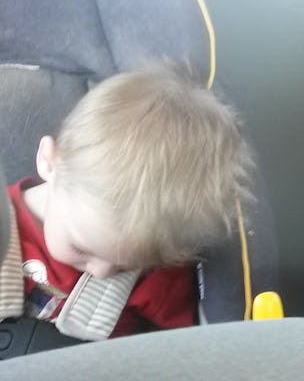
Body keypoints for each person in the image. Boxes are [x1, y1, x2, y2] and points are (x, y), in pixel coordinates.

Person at [0, 65, 253, 340]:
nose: (103, 272)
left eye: (124, 267)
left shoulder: (157, 280)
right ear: (49, 163)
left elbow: (185, 349)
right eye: (81, 248)